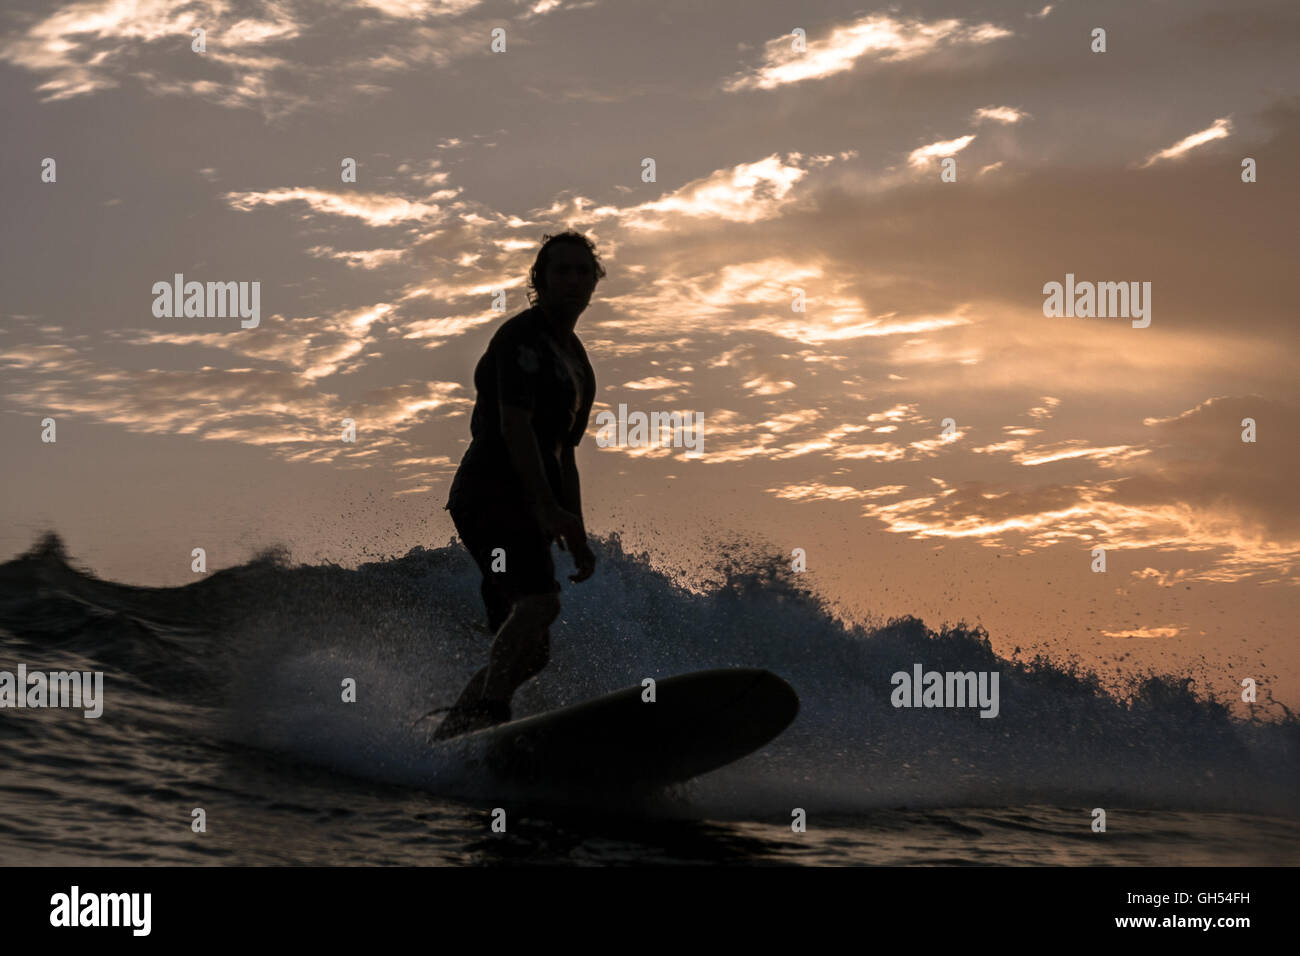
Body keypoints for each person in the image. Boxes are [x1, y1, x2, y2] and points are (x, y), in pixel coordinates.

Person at [433, 232, 603, 739]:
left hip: (532, 503)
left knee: (534, 651)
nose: (573, 280)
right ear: (540, 281)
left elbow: (565, 452)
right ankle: (490, 712)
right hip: (489, 492)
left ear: (595, 282)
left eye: (582, 271)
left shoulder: (578, 364)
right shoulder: (520, 339)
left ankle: (455, 735)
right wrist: (547, 506)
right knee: (540, 605)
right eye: (562, 271)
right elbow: (515, 428)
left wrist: (575, 527)